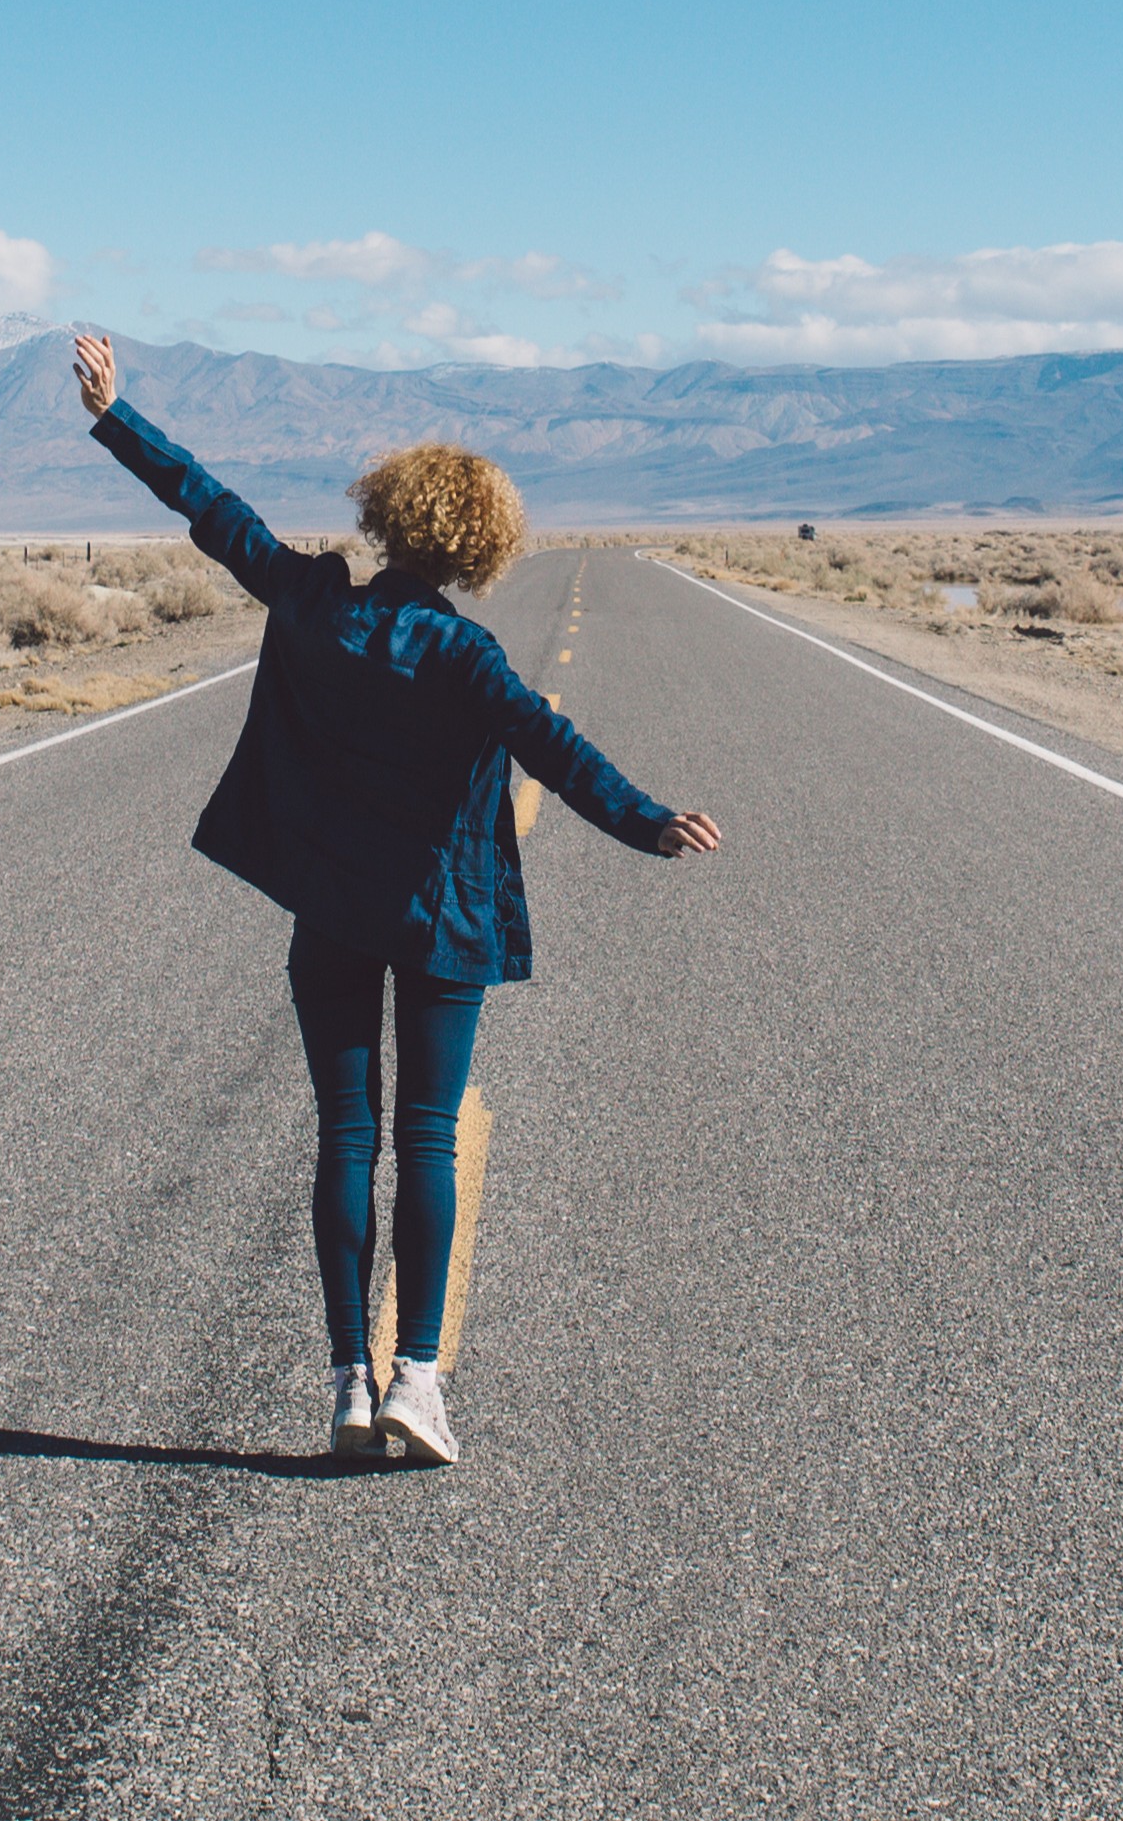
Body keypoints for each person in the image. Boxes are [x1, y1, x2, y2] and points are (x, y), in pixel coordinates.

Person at [71, 333, 720, 1464]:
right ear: (478, 545)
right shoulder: (465, 657)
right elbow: (553, 749)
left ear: (384, 517)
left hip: (329, 914)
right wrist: (644, 819)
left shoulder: (311, 603)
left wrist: (115, 413)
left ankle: (344, 1382)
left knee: (344, 1133)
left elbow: (212, 511)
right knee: (424, 1133)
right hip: (440, 920)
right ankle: (417, 1379)